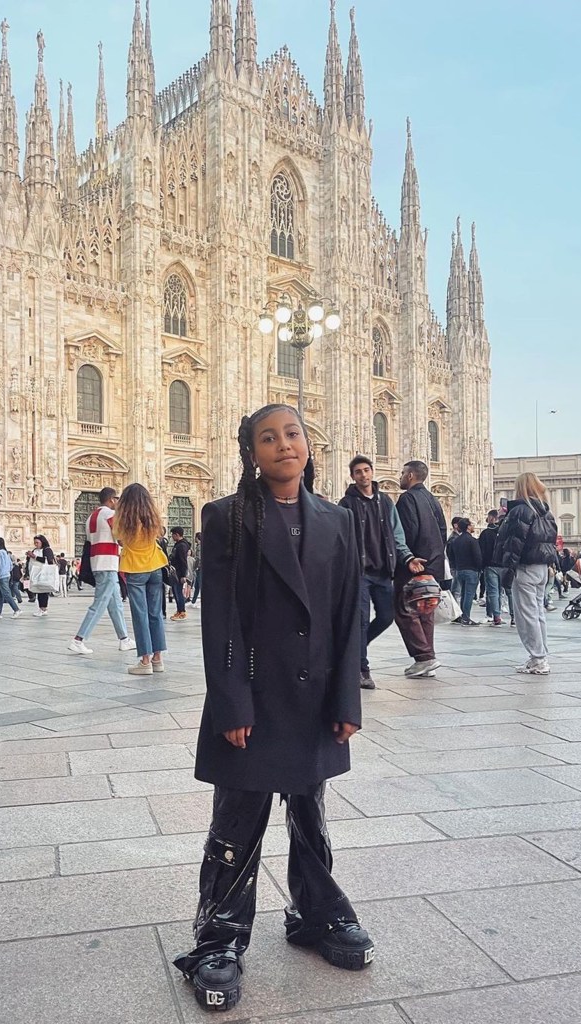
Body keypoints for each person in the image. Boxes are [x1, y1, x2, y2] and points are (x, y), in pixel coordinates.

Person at [173, 404, 372, 1012]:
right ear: (250, 452)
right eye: (268, 438)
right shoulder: (227, 517)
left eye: (293, 434)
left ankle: (315, 914)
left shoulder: (337, 520)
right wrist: (231, 700)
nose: (284, 445)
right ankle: (220, 939)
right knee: (238, 821)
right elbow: (222, 621)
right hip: (253, 701)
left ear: (308, 445)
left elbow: (349, 614)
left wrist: (346, 701)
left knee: (310, 814)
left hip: (314, 699)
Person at [339, 455, 425, 688]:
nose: (363, 475)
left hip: (383, 571)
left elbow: (397, 535)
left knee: (387, 616)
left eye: (366, 470)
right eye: (358, 472)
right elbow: (340, 539)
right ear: (353, 476)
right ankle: (362, 670)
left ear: (372, 471)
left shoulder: (385, 501)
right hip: (360, 572)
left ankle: (353, 653)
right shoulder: (346, 504)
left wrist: (407, 558)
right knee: (361, 621)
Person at [495, 472, 558, 675]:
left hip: (525, 567)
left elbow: (514, 543)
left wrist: (509, 569)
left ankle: (539, 659)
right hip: (541, 568)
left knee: (527, 614)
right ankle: (539, 657)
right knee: (538, 613)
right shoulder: (546, 511)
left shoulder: (521, 510)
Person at [67, 487, 136, 656]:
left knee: (116, 604)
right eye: (118, 499)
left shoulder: (90, 517)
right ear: (112, 499)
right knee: (99, 603)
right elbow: (121, 539)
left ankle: (124, 639)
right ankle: (79, 639)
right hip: (108, 564)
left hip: (97, 563)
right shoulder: (110, 515)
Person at [393, 461, 447, 677]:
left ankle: (424, 657)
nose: (401, 476)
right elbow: (443, 531)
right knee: (425, 612)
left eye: (403, 473)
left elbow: (405, 532)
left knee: (404, 610)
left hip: (413, 564)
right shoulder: (433, 499)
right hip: (432, 564)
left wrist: (409, 558)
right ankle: (427, 658)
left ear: (411, 475)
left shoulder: (407, 499)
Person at [114, 483, 168, 675]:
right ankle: (158, 659)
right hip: (155, 567)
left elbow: (119, 539)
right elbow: (160, 535)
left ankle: (145, 661)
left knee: (140, 615)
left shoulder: (123, 520)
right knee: (155, 614)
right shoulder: (153, 517)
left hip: (136, 569)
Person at [447, 519, 482, 625]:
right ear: (467, 527)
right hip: (471, 570)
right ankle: (466, 617)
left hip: (459, 569)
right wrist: (479, 568)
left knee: (463, 593)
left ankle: (462, 615)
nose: (473, 526)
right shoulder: (472, 540)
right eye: (471, 525)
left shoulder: (455, 541)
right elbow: (477, 556)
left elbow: (451, 555)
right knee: (469, 594)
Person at [479, 511, 504, 626]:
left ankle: (496, 616)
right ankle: (506, 616)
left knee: (493, 591)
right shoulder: (504, 533)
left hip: (490, 564)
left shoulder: (486, 533)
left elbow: (481, 550)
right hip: (503, 565)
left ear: (492, 518)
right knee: (501, 591)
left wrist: (482, 565)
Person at [0, 537, 22, 618]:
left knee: (6, 594)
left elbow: (0, 565)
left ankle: (16, 609)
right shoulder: (6, 553)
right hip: (6, 575)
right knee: (0, 595)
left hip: (2, 576)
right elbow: (10, 565)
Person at [28, 535, 56, 616]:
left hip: (44, 573)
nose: (36, 544)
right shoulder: (35, 550)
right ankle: (41, 608)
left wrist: (34, 556)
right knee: (38, 590)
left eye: (37, 542)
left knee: (43, 591)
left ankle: (43, 609)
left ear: (42, 542)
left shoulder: (47, 550)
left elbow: (48, 560)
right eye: (35, 543)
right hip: (36, 573)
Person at [168, 526, 191, 620]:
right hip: (175, 572)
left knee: (178, 592)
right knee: (176, 592)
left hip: (179, 573)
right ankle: (179, 610)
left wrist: (183, 575)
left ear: (177, 535)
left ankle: (182, 611)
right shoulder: (179, 544)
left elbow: (183, 561)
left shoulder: (181, 546)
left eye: (173, 535)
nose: (172, 537)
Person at [189, 531, 203, 605]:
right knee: (197, 585)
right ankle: (193, 601)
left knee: (199, 585)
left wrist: (196, 566)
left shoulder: (199, 546)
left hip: (199, 568)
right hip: (199, 568)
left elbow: (198, 558)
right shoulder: (200, 546)